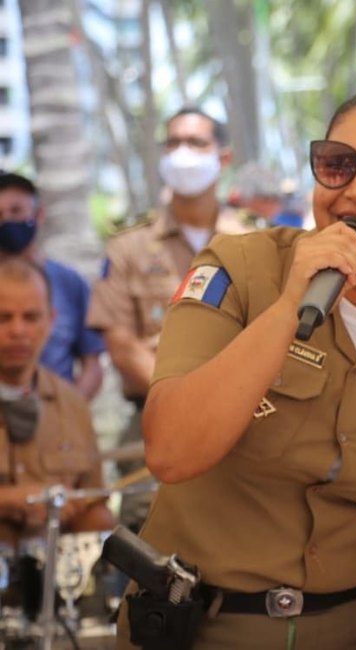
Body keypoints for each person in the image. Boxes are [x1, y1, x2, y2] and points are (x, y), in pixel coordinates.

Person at [114, 90, 356, 650]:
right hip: (205, 628)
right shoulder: (237, 268)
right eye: (337, 165)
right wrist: (288, 308)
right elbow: (170, 450)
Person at [88, 107, 253, 529]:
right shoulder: (128, 246)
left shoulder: (258, 241)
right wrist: (183, 403)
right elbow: (121, 344)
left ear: (223, 157)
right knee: (151, 549)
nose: (183, 153)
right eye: (173, 142)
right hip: (154, 422)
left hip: (250, 424)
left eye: (196, 143)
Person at [0, 258, 114, 544]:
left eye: (30, 317)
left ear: (51, 321)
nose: (18, 330)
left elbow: (92, 505)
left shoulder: (72, 404)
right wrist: (8, 499)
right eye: (3, 317)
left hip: (51, 579)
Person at [0, 172, 104, 400]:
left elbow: (92, 365)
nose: (6, 221)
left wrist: (67, 411)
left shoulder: (69, 283)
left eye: (16, 211)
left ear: (39, 214)